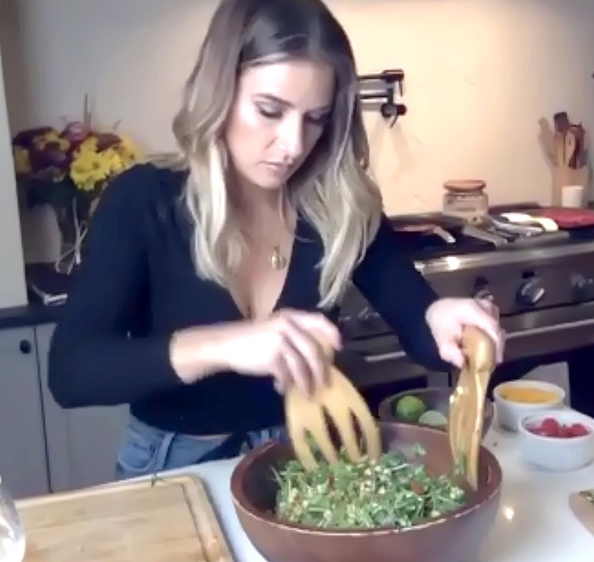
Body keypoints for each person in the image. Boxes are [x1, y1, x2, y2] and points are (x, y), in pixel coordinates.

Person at [47, 0, 503, 480]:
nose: (292, 146)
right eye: (270, 111)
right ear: (220, 90)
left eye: (316, 119)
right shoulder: (144, 200)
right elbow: (72, 372)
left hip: (308, 460)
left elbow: (417, 322)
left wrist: (441, 319)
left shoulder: (340, 204)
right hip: (174, 466)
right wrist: (223, 345)